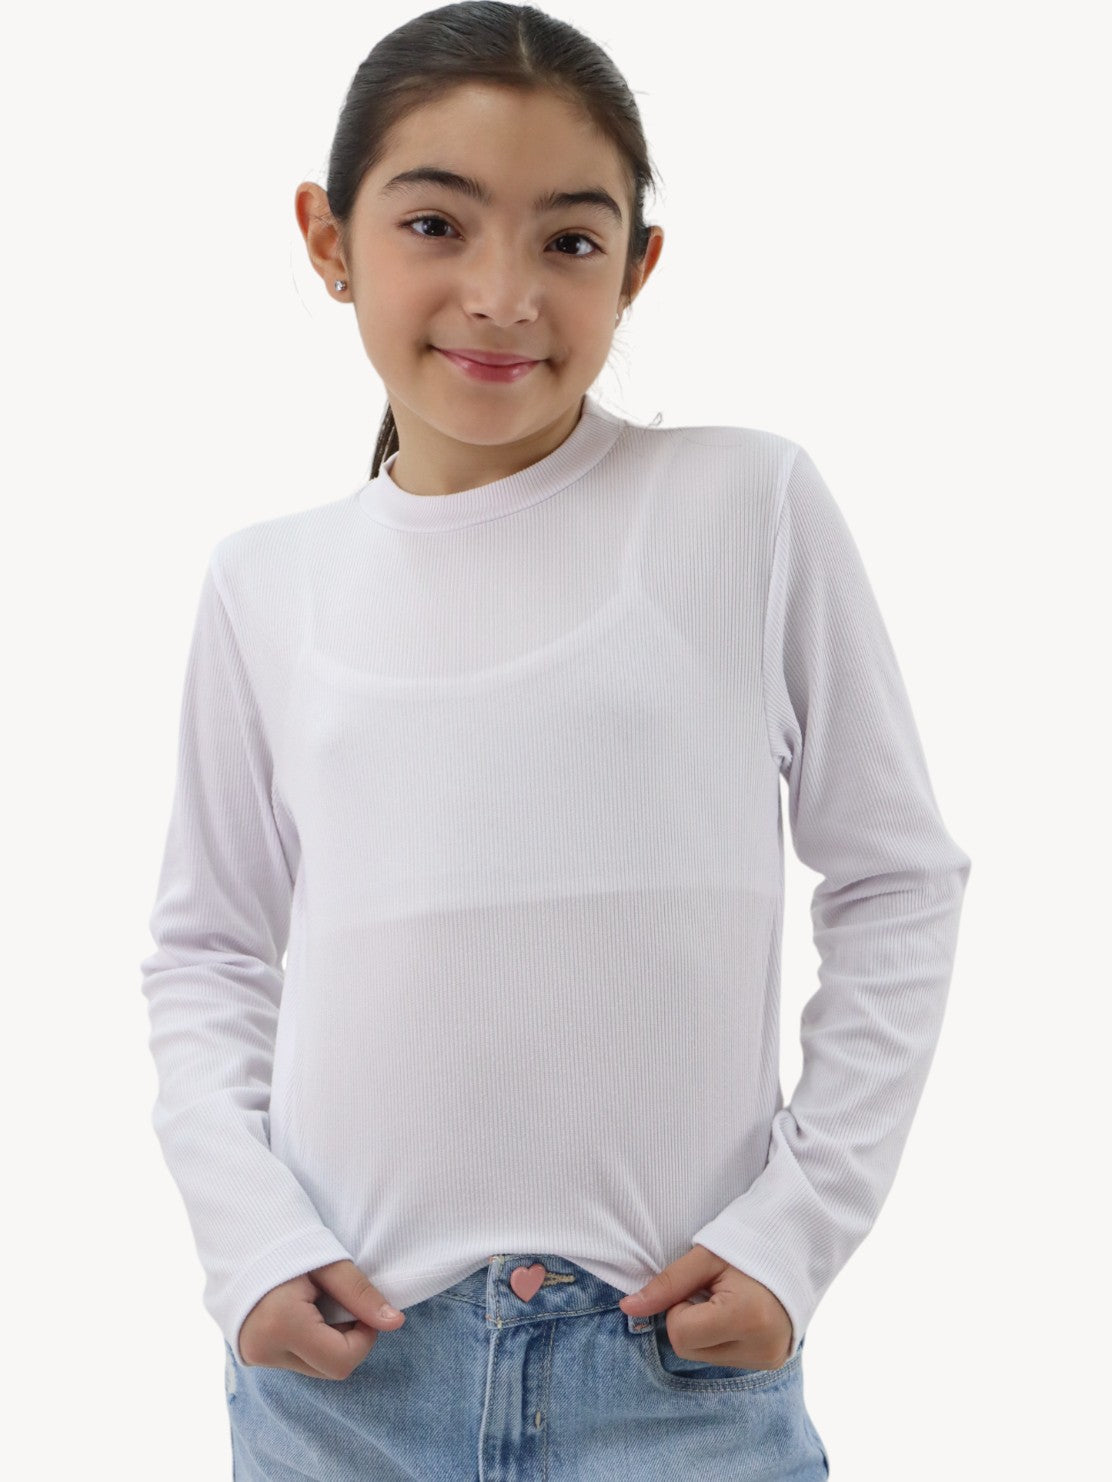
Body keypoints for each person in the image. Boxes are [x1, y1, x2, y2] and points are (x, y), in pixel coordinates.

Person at [139, 4, 971, 1478]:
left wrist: (793, 1232)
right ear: (329, 240)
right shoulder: (265, 582)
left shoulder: (746, 507)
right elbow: (207, 948)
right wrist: (247, 1243)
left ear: (637, 265)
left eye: (571, 241)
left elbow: (896, 876)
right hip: (347, 1380)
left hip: (671, 1372)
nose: (503, 295)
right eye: (436, 224)